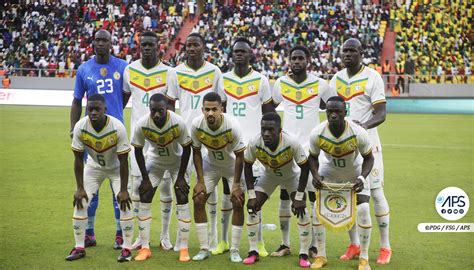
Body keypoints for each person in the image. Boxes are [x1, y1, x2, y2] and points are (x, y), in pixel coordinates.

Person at [330, 38, 391, 265]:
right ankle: (354, 244)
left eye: (352, 50)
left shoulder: (372, 77)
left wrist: (362, 127)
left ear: (361, 53)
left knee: (375, 193)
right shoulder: (336, 79)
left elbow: (381, 113)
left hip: (368, 146)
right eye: (344, 50)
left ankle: (385, 246)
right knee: (348, 195)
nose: (347, 54)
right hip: (342, 148)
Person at [271, 45, 335, 258]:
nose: (296, 62)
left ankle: (315, 246)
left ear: (308, 60)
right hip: (286, 149)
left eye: (300, 58)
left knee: (313, 197)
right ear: (289, 61)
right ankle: (285, 243)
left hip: (311, 151)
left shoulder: (320, 84)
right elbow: (270, 110)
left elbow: (332, 108)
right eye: (293, 58)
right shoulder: (280, 83)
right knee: (285, 196)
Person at [214, 37, 275, 257]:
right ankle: (222, 240)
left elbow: (270, 114)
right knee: (227, 193)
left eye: (243, 51)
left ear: (250, 55)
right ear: (232, 55)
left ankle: (258, 242)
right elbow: (218, 111)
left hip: (253, 148)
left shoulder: (261, 80)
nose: (239, 54)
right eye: (236, 51)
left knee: (253, 196)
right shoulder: (223, 79)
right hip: (228, 146)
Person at [165, 32, 225, 251]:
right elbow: (170, 105)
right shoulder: (175, 72)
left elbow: (221, 105)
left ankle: (213, 236)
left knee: (209, 188)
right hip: (185, 139)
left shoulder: (215, 71)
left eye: (195, 45)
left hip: (210, 137)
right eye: (188, 45)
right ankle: (182, 239)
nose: (191, 48)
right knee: (182, 187)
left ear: (203, 47)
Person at [69, 29, 128, 249]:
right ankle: (89, 233)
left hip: (115, 133)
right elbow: (76, 101)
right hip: (90, 136)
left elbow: (126, 94)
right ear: (93, 43)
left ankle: (120, 233)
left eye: (105, 40)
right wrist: (72, 128)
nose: (100, 43)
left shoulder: (122, 66)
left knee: (119, 188)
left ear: (111, 43)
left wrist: (115, 110)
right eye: (97, 40)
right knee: (89, 185)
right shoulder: (84, 69)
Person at [122, 31, 178, 251]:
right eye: (143, 44)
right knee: (138, 188)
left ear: (159, 47)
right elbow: (126, 99)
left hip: (162, 140)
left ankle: (164, 236)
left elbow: (171, 107)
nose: (146, 48)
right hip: (138, 140)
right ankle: (140, 235)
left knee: (165, 187)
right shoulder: (130, 70)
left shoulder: (169, 72)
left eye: (150, 45)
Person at [307, 96, 375, 270]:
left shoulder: (358, 132)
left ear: (345, 113)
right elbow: (312, 158)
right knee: (316, 209)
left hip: (355, 172)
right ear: (326, 112)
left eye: (338, 111)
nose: (334, 115)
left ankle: (364, 258)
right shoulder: (317, 132)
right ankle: (321, 256)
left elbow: (369, 158)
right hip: (330, 171)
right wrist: (315, 175)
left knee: (364, 209)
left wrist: (361, 178)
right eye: (330, 111)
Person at [66, 94, 134, 262]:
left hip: (117, 168)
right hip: (93, 167)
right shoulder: (80, 127)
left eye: (97, 109)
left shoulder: (117, 127)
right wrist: (79, 188)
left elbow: (124, 161)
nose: (94, 112)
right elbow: (77, 159)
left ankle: (126, 248)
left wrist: (124, 190)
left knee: (125, 203)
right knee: (81, 201)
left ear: (105, 109)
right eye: (90, 109)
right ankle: (79, 247)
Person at [242, 112, 312, 268]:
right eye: (263, 129)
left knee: (302, 210)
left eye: (271, 130)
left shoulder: (291, 142)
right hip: (269, 176)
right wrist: (251, 194)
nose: (266, 133)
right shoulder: (255, 142)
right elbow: (247, 165)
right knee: (252, 208)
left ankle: (304, 253)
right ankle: (253, 251)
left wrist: (300, 196)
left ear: (280, 130)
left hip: (291, 177)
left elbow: (305, 167)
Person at [130, 93, 192, 262]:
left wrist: (180, 177)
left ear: (167, 109)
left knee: (181, 195)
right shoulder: (143, 123)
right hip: (155, 162)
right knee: (145, 194)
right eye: (153, 111)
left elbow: (187, 148)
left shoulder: (178, 122)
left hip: (177, 162)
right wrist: (145, 178)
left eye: (160, 111)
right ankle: (145, 248)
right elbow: (137, 150)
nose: (156, 114)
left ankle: (184, 249)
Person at [190, 92, 246, 263]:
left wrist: (236, 184)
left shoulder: (232, 125)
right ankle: (204, 248)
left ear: (222, 109)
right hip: (211, 166)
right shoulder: (196, 125)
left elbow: (240, 156)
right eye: (207, 109)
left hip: (231, 167)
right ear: (202, 110)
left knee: (237, 201)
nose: (210, 113)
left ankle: (235, 250)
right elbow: (197, 152)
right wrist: (200, 181)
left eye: (214, 109)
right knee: (198, 199)